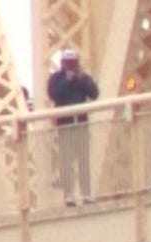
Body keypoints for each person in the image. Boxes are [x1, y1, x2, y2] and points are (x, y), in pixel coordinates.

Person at [47, 48, 100, 206]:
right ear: (63, 63)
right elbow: (53, 95)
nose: (70, 66)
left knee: (84, 160)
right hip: (65, 125)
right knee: (66, 161)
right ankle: (69, 194)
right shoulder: (56, 78)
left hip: (81, 124)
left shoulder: (83, 78)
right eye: (68, 63)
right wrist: (67, 80)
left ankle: (86, 193)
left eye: (73, 63)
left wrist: (82, 79)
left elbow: (94, 94)